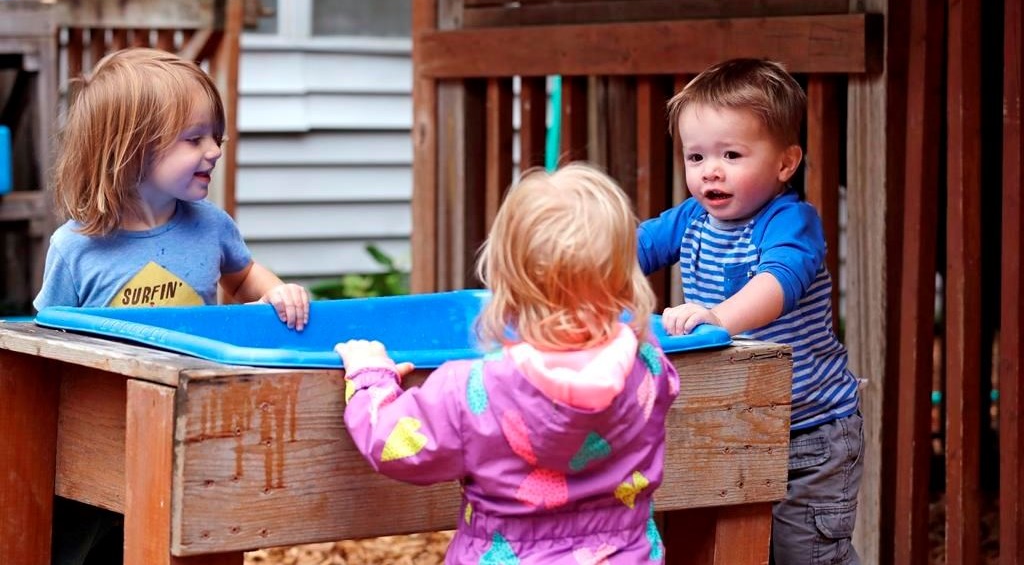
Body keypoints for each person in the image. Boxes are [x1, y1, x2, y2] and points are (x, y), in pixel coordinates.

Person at [34, 47, 310, 565]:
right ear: (129, 148)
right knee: (80, 546)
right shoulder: (78, 247)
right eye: (194, 138)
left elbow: (243, 275)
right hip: (101, 430)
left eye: (216, 137)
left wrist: (274, 291)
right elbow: (47, 341)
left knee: (190, 541)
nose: (214, 150)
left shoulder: (210, 226)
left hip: (192, 421)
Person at [336, 163, 680, 564]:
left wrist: (370, 376)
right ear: (624, 280)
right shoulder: (649, 365)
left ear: (506, 282)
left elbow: (392, 443)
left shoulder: (474, 388)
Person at [637, 58, 863, 564]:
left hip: (808, 432)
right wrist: (568, 271)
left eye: (732, 154)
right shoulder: (692, 218)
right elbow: (633, 248)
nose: (709, 171)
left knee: (805, 555)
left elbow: (776, 286)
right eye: (695, 157)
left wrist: (718, 317)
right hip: (737, 420)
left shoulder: (790, 222)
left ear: (785, 163)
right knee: (727, 547)